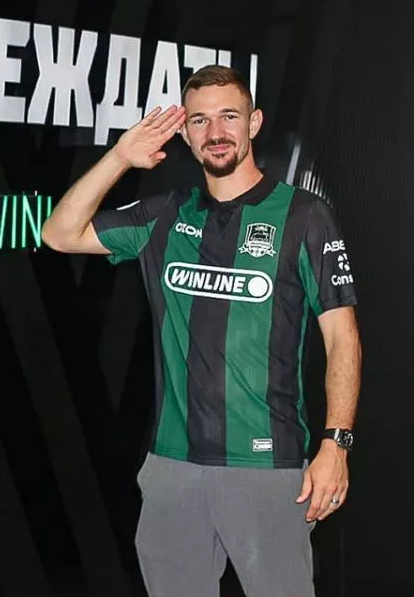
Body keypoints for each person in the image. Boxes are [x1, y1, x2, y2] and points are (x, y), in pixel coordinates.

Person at [41, 65, 362, 597]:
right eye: (200, 120)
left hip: (268, 467)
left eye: (229, 116)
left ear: (254, 123)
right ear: (186, 134)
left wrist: (337, 445)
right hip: (173, 469)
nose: (216, 132)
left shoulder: (305, 216)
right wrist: (120, 157)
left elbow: (342, 339)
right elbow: (59, 233)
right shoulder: (164, 215)